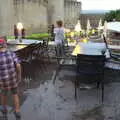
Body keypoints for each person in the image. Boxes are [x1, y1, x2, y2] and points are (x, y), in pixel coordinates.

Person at [0, 38, 21, 119]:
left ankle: (3, 109)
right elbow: (18, 65)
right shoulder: (11, 53)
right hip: (13, 79)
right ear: (5, 45)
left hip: (3, 81)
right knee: (15, 94)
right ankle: (17, 111)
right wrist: (19, 75)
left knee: (3, 94)